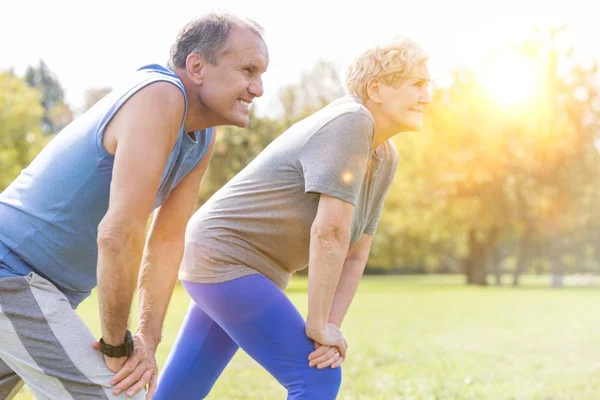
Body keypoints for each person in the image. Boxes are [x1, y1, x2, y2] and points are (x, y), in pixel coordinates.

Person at [0, 11, 269, 400]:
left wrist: (146, 338)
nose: (258, 89)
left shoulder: (202, 136)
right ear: (197, 66)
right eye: (248, 70)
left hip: (44, 288)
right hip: (11, 271)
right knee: (108, 393)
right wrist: (115, 346)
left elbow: (166, 241)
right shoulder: (159, 95)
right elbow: (119, 233)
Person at [154, 37, 431, 399]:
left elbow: (355, 251)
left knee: (182, 391)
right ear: (377, 88)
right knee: (316, 377)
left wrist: (328, 329)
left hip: (238, 265)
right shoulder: (352, 122)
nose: (428, 96)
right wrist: (317, 325)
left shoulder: (386, 156)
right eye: (418, 85)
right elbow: (329, 231)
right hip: (225, 256)